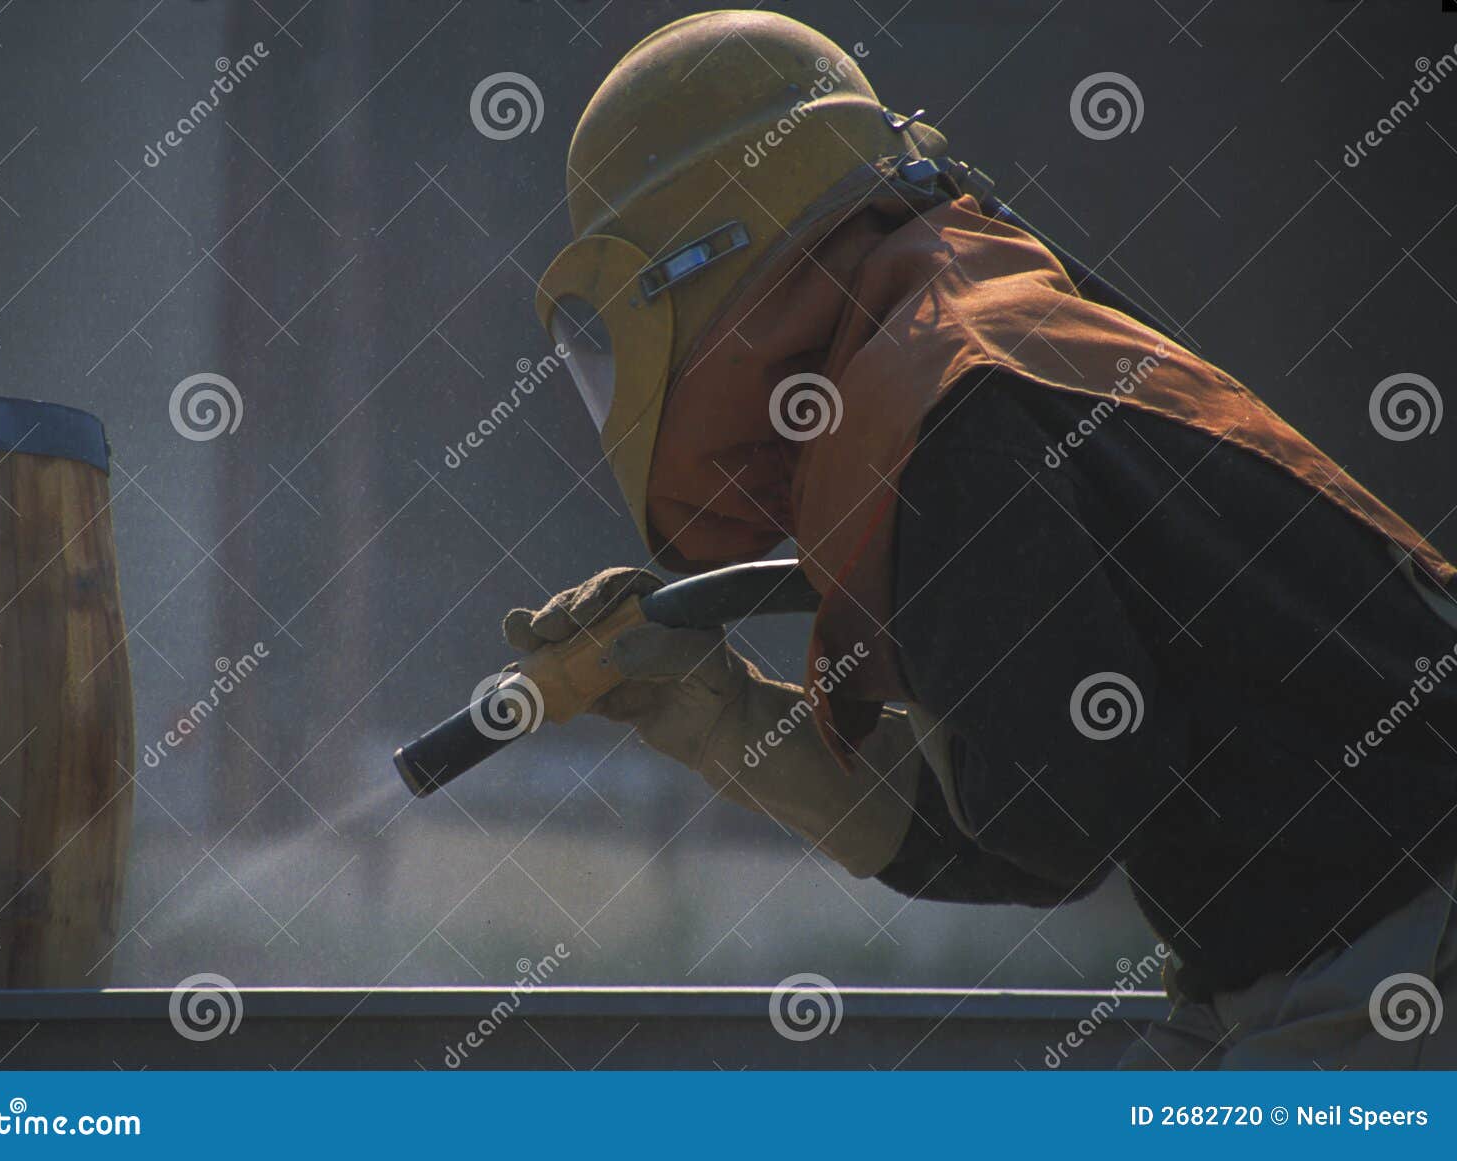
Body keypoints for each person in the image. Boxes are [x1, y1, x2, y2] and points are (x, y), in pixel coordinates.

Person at [508, 9, 1457, 1067]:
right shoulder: (976, 330)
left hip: (1402, 955)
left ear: (700, 265)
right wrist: (722, 719)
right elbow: (1045, 789)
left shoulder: (943, 407)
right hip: (1348, 946)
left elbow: (1049, 824)